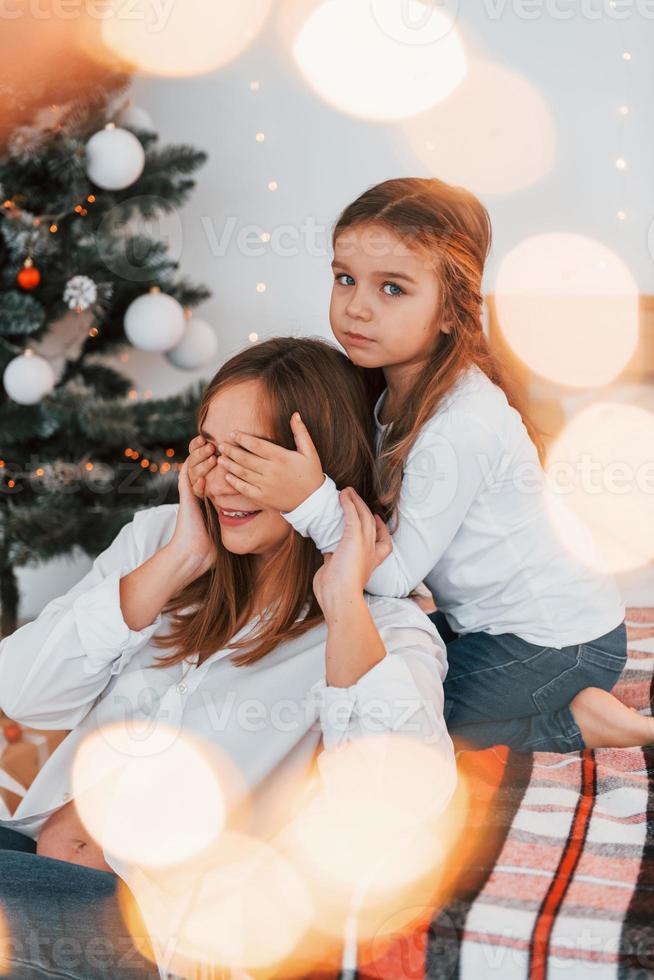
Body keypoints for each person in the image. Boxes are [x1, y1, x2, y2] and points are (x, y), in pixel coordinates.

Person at [0, 337, 456, 980]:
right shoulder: (159, 541)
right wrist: (178, 561)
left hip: (147, 934)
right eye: (211, 448)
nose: (219, 479)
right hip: (30, 861)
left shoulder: (381, 627)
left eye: (253, 456)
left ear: (320, 470)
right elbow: (21, 692)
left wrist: (344, 601)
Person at [190, 178, 647, 756]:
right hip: (490, 627)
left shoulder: (459, 423)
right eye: (345, 278)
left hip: (558, 643)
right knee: (345, 661)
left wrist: (307, 499)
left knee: (381, 708)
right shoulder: (387, 392)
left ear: (451, 311)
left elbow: (391, 575)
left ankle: (579, 722)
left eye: (393, 289)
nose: (357, 305)